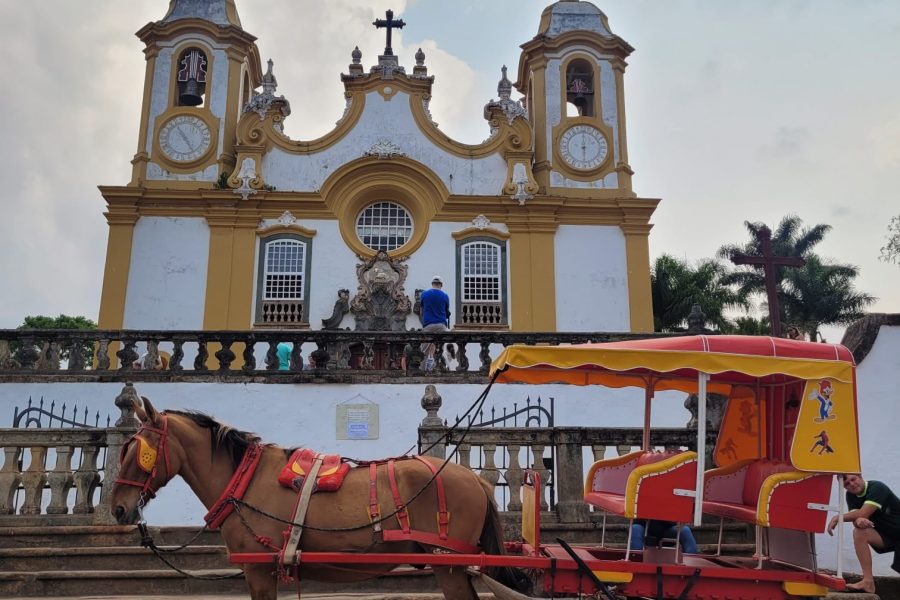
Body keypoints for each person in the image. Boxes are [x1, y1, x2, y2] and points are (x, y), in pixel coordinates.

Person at [828, 473, 900, 593]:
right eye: (847, 484)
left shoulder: (877, 487)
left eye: (853, 479)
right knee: (859, 533)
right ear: (845, 488)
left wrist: (838, 517)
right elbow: (858, 520)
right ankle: (868, 582)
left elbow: (862, 513)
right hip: (887, 536)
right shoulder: (851, 496)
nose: (852, 484)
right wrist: (859, 521)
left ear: (860, 477)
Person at [419, 275, 450, 371]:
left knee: (424, 350)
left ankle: (422, 370)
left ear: (432, 284)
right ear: (441, 285)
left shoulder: (424, 294)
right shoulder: (445, 296)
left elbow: (421, 310)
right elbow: (446, 312)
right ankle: (441, 369)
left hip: (428, 325)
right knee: (440, 349)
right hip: (441, 325)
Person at [630, 519, 698, 555]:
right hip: (644, 527)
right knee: (635, 528)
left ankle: (691, 563)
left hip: (666, 529)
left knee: (685, 530)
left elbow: (678, 520)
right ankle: (637, 560)